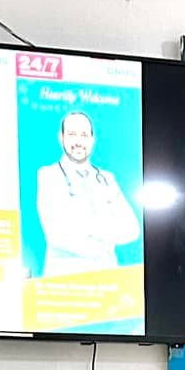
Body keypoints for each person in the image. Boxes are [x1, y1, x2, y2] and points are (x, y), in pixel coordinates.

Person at [36, 110, 140, 274]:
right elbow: (57, 233)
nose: (79, 141)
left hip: (109, 279)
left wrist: (85, 226)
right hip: (65, 281)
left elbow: (132, 230)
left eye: (84, 135)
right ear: (61, 137)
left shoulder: (107, 179)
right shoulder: (49, 175)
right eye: (72, 134)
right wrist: (106, 233)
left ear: (92, 139)